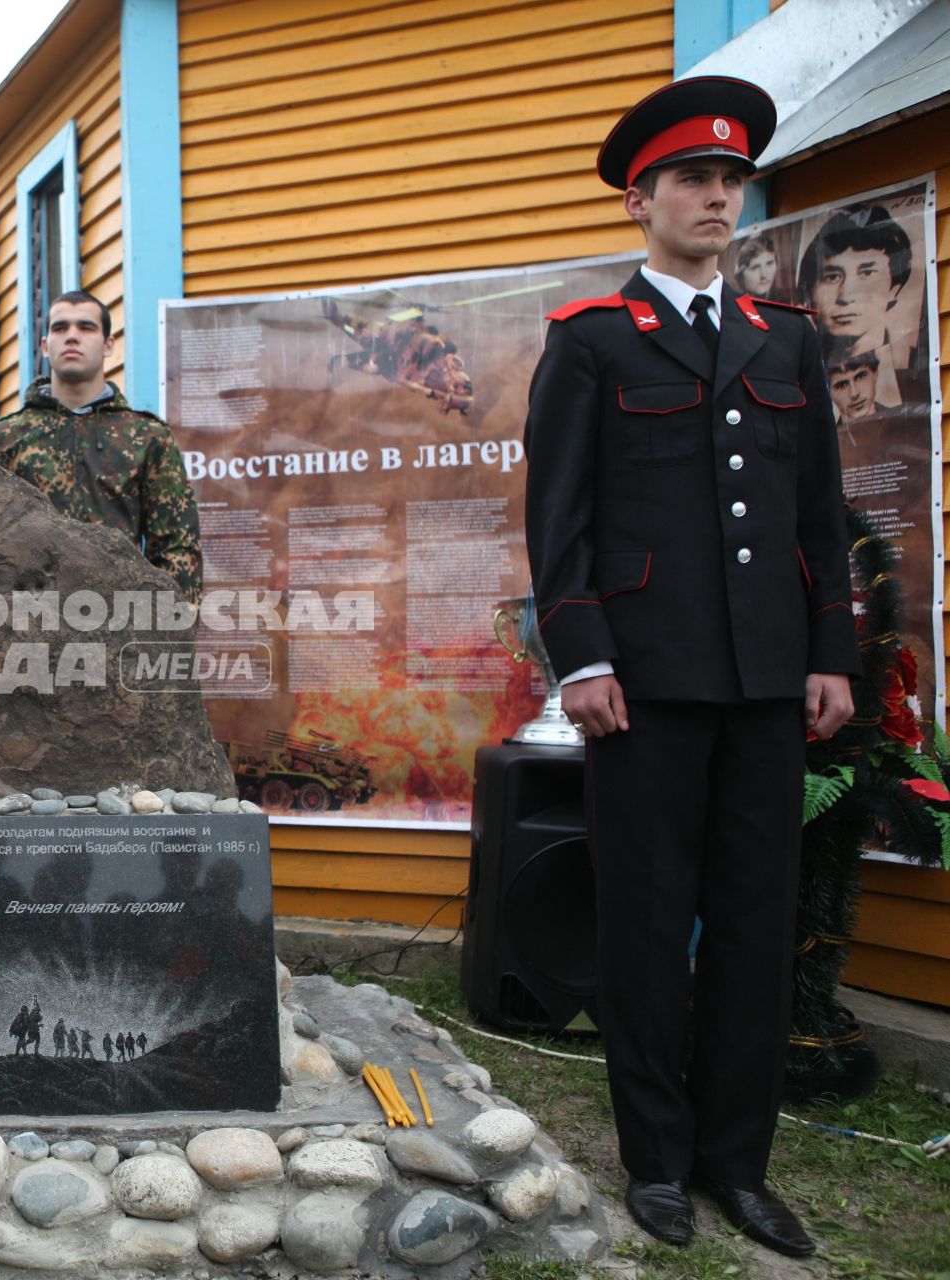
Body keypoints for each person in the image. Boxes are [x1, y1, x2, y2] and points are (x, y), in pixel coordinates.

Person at [524, 76, 857, 1259]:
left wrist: (832, 656)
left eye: (730, 181)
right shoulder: (594, 341)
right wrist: (583, 656)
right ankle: (656, 1161)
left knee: (759, 927)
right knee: (648, 924)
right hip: (645, 683)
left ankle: (738, 1166)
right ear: (642, 200)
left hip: (769, 681)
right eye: (692, 181)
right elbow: (557, 520)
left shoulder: (787, 341)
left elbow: (818, 522)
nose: (718, 196)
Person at [0, 290, 203, 605]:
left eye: (86, 327)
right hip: (26, 629)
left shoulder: (146, 436)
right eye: (60, 328)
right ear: (45, 346)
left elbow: (176, 547)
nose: (72, 337)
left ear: (108, 344)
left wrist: (169, 628)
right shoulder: (5, 438)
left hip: (119, 629)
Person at [797, 204, 924, 405]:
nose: (846, 295)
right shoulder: (794, 375)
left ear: (895, 289)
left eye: (867, 273)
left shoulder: (914, 371)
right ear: (809, 293)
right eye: (832, 277)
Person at [826, 351, 880, 424]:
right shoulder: (830, 435)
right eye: (842, 385)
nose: (854, 394)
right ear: (829, 392)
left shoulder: (899, 422)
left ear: (875, 374)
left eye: (860, 377)